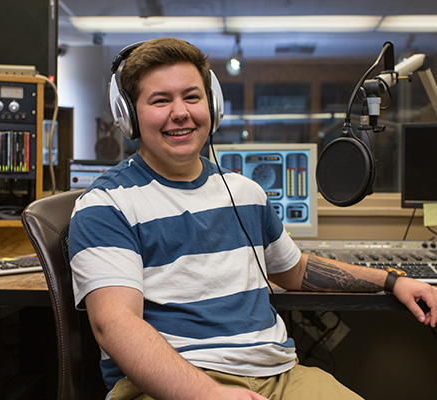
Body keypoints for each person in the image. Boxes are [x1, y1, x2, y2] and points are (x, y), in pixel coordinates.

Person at [68, 37, 437, 400]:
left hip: (278, 375)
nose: (180, 112)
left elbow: (294, 270)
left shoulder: (243, 192)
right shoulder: (105, 204)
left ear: (212, 105)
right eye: (160, 100)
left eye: (192, 97)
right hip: (174, 383)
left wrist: (392, 281)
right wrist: (209, 394)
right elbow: (115, 325)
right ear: (128, 116)